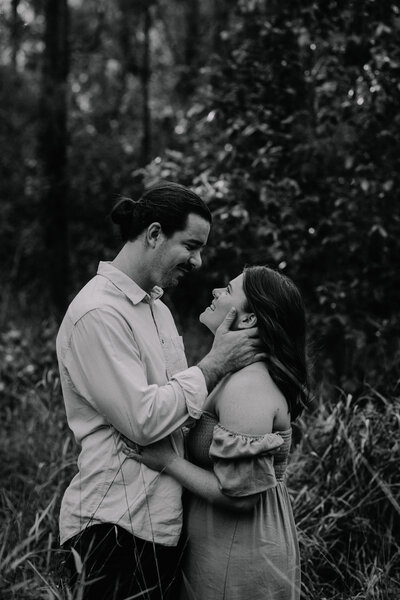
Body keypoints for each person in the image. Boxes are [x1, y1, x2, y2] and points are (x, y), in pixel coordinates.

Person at [56, 181, 264, 600]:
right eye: (191, 245)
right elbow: (144, 420)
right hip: (112, 528)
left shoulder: (159, 310)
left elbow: (178, 413)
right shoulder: (98, 313)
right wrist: (214, 364)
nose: (198, 260)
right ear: (153, 234)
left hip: (162, 529)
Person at [123, 265, 309, 600]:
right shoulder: (234, 375)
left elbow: (240, 498)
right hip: (220, 544)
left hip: (241, 553)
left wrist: (167, 461)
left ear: (249, 320)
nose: (215, 293)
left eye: (228, 289)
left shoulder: (249, 387)